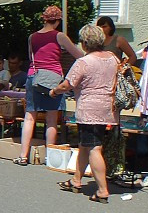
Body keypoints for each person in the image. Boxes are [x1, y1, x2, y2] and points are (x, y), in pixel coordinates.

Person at [50, 24, 119, 203]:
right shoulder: (112, 58)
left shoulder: (84, 62)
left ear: (84, 43)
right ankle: (76, 180)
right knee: (85, 144)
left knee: (94, 147)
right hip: (107, 108)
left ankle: (103, 190)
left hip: (89, 109)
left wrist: (55, 91)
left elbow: (68, 84)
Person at [14, 5, 84, 165]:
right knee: (51, 118)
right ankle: (49, 157)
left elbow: (31, 57)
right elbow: (78, 55)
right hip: (53, 78)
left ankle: (23, 155)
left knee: (30, 116)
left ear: (44, 19)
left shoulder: (32, 37)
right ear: (58, 21)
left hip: (34, 76)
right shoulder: (60, 36)